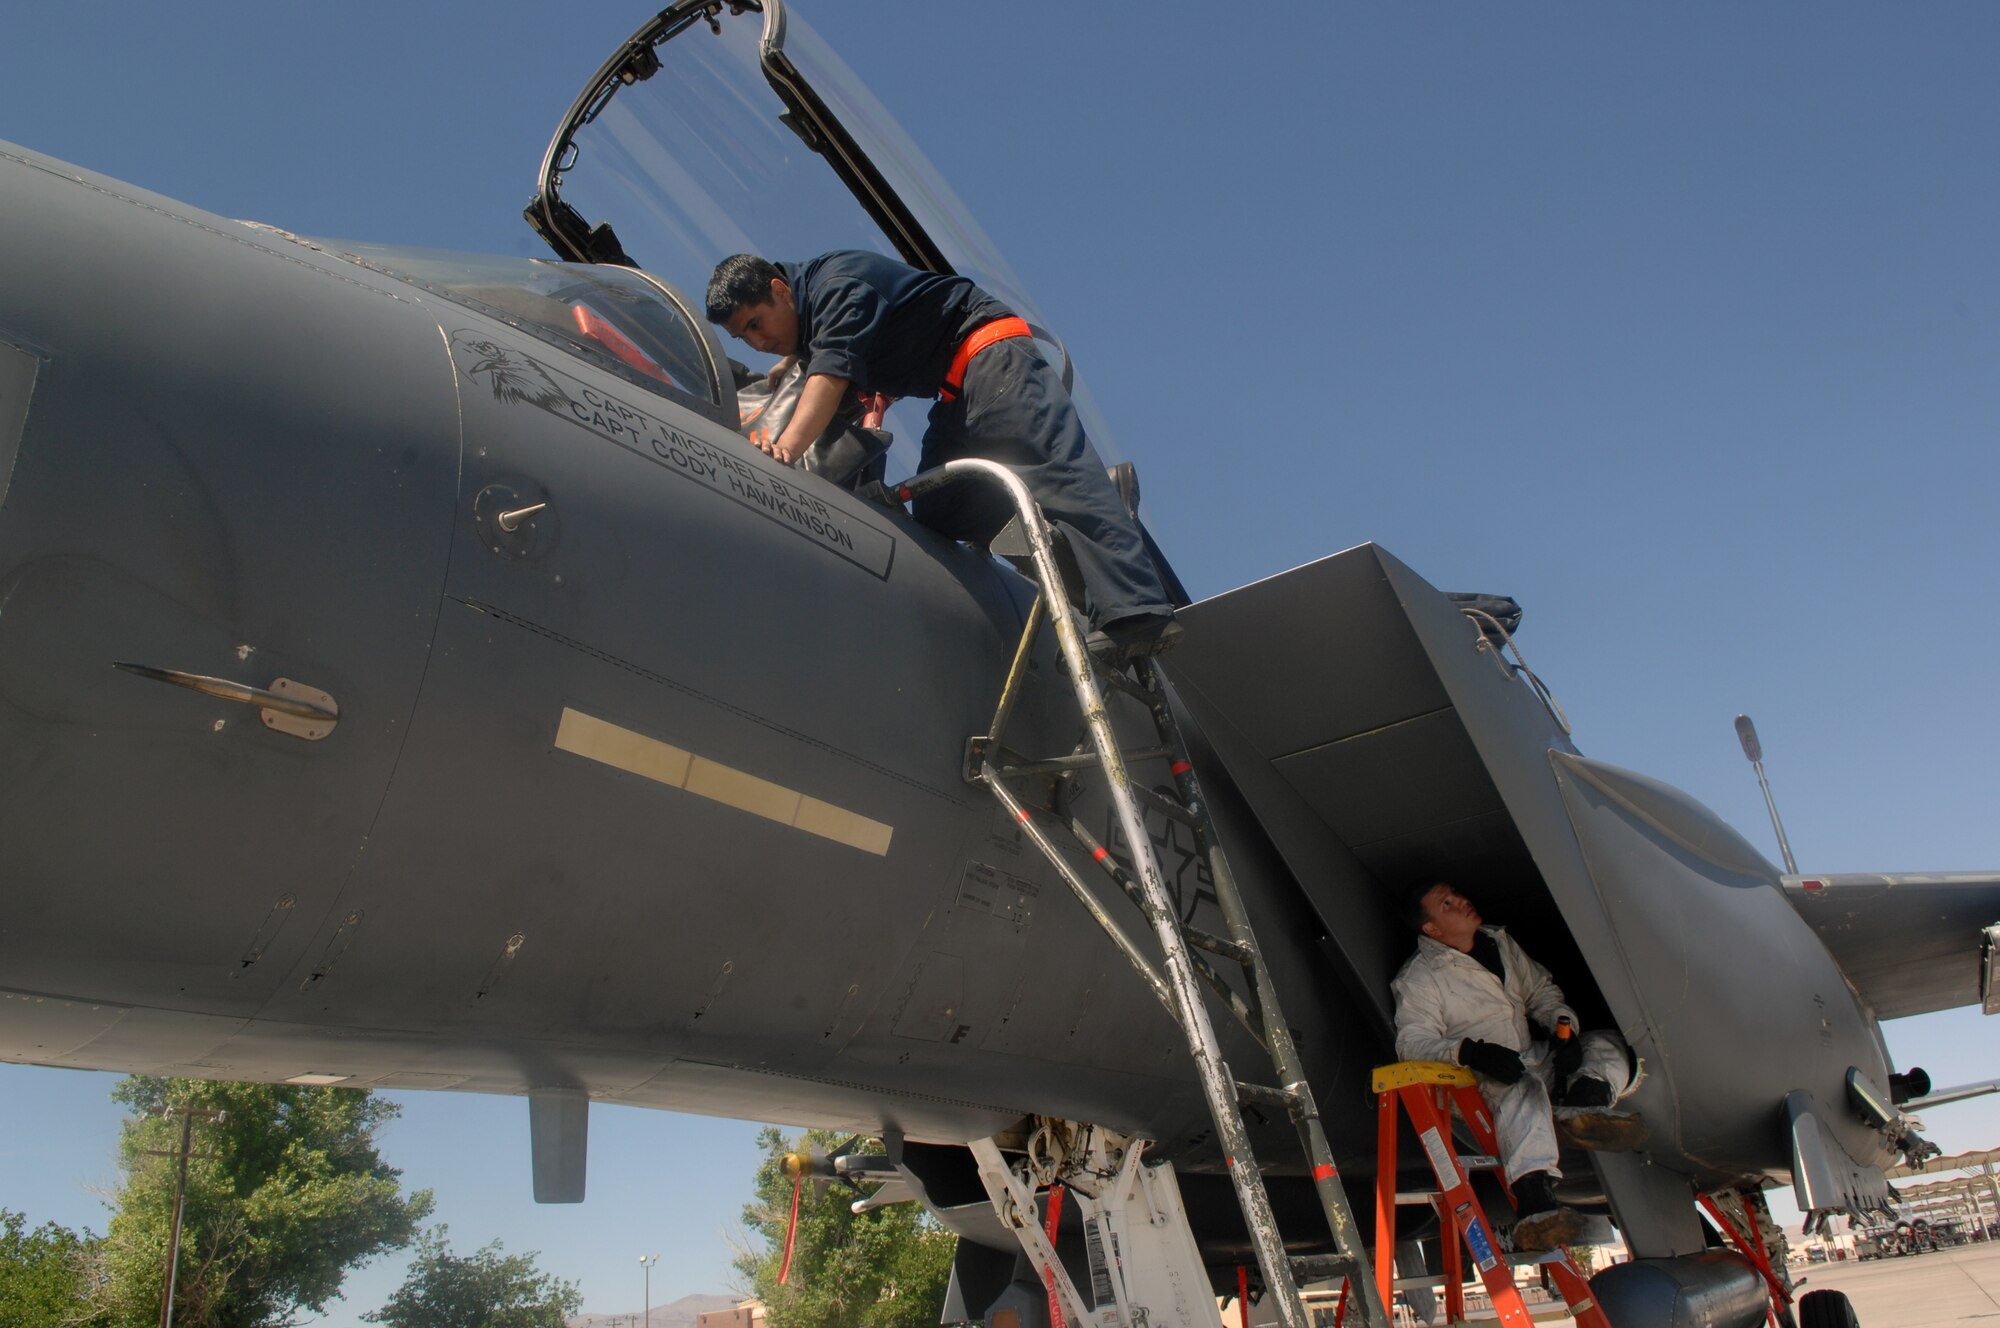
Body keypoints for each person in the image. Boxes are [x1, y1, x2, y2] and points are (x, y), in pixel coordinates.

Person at [704, 251, 1180, 658]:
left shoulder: (838, 287)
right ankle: (1052, 534)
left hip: (994, 359)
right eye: (744, 337)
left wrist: (783, 451)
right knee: (941, 507)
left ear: (778, 290)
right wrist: (791, 359)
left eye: (755, 324)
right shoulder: (812, 298)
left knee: (1063, 475)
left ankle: (1134, 610)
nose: (757, 342)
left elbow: (830, 376)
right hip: (959, 391)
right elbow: (822, 348)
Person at [1390, 881, 1643, 1251]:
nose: (1461, 900)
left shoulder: (1499, 942)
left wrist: (1563, 1030)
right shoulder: (1419, 978)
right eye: (1447, 904)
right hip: (1477, 1083)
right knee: (1523, 1089)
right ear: (1431, 929)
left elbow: (1541, 991)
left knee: (1604, 1043)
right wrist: (1470, 1053)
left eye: (1456, 894)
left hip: (1530, 1058)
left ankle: (1586, 1106)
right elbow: (1411, 1043)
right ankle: (1534, 1202)